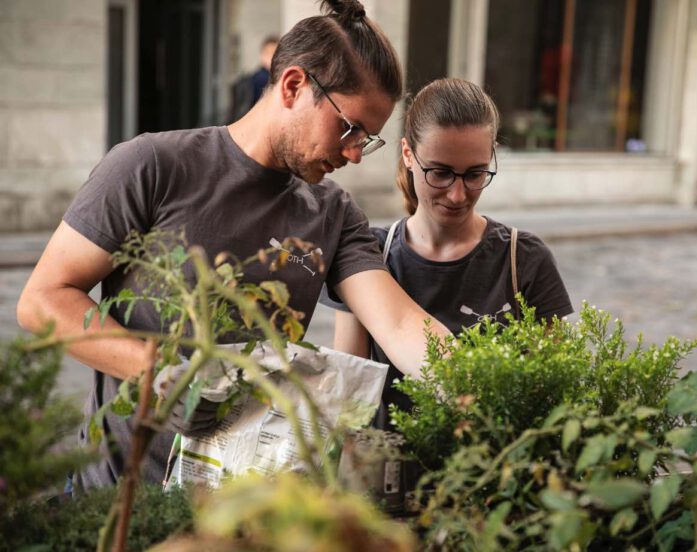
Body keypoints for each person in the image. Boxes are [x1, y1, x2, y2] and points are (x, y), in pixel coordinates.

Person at [16, 0, 450, 491]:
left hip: (240, 511)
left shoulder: (333, 213)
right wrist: (158, 376)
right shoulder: (152, 166)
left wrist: (471, 382)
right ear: (293, 86)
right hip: (117, 501)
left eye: (368, 140)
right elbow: (43, 300)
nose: (354, 153)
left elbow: (398, 323)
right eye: (349, 128)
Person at [323, 78, 573, 429]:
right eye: (439, 173)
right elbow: (346, 397)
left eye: (475, 174)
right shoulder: (367, 257)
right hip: (388, 475)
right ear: (408, 155)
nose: (457, 195)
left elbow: (553, 396)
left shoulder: (524, 259)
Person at [229, 35, 279, 122]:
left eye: (276, 53)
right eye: (270, 53)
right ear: (262, 55)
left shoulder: (274, 79)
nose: (273, 57)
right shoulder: (258, 80)